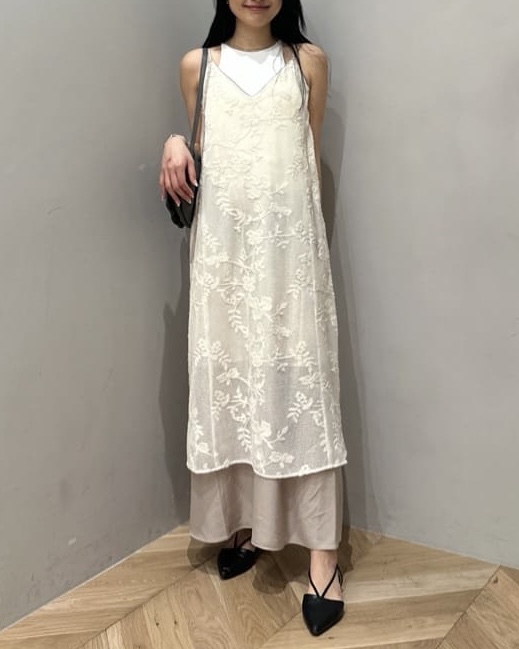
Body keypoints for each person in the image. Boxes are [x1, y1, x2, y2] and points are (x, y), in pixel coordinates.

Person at [159, 0, 348, 637]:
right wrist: (174, 142)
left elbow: (306, 160)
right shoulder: (197, 66)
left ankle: (322, 557)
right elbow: (203, 149)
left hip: (290, 254)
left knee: (303, 391)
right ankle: (244, 525)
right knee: (233, 385)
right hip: (224, 257)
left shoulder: (308, 63)